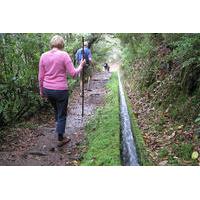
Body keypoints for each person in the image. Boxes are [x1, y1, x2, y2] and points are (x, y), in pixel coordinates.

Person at [38, 35, 86, 147]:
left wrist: (41, 90)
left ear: (52, 44)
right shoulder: (64, 55)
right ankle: (60, 138)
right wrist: (81, 65)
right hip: (60, 90)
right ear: (62, 44)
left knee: (57, 111)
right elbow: (74, 74)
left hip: (47, 89)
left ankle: (59, 128)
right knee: (62, 114)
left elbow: (40, 76)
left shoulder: (43, 56)